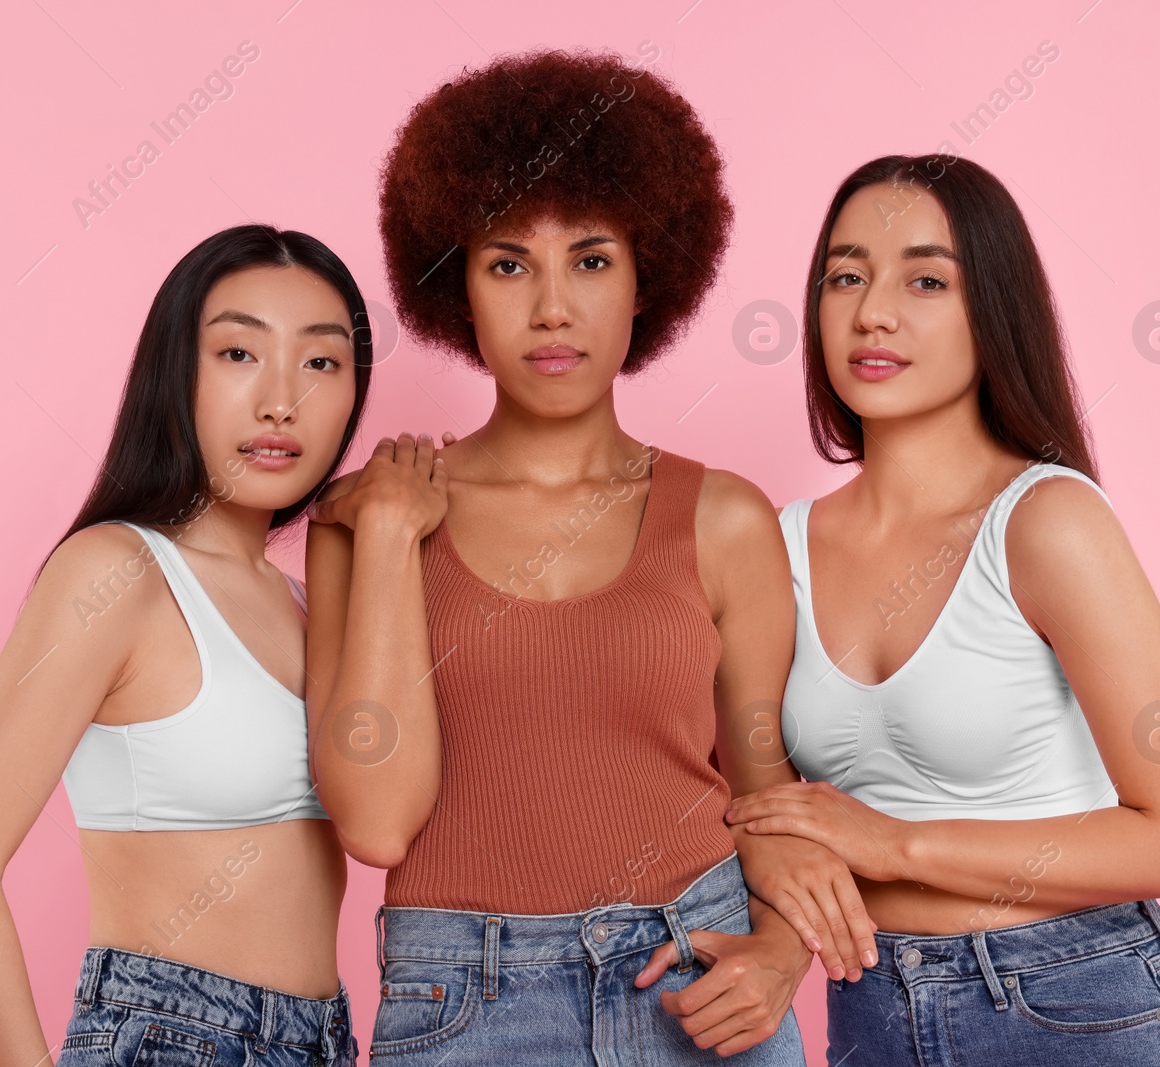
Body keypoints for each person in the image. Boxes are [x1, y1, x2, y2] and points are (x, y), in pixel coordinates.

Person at [304, 48, 873, 1065]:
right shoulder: (364, 523)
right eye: (509, 261)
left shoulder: (724, 519)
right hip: (462, 1004)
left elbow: (764, 791)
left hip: (693, 981)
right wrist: (393, 539)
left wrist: (781, 952)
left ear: (648, 273)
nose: (552, 306)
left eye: (592, 258)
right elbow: (378, 826)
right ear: (456, 285)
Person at [725, 155, 1160, 1066]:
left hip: (1076, 999)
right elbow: (753, 809)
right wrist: (775, 935)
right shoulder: (772, 545)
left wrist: (896, 842)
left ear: (994, 309)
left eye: (926, 279)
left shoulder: (1047, 522)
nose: (873, 311)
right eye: (846, 275)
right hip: (871, 1008)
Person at [0, 225, 373, 1066]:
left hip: (324, 1041)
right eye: (237, 353)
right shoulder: (114, 573)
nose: (281, 400)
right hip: (176, 1038)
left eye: (322, 362)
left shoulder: (306, 604)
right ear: (173, 372)